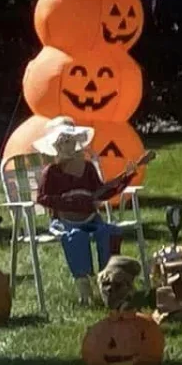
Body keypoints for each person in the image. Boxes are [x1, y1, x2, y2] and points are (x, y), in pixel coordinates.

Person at [33, 117, 151, 302]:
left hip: (90, 218)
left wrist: (126, 177)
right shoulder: (52, 172)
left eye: (71, 141)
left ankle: (111, 278)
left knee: (110, 231)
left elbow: (101, 192)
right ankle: (83, 284)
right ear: (55, 146)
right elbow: (42, 197)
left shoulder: (87, 167)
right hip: (64, 220)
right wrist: (68, 201)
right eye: (63, 142)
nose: (68, 146)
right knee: (75, 237)